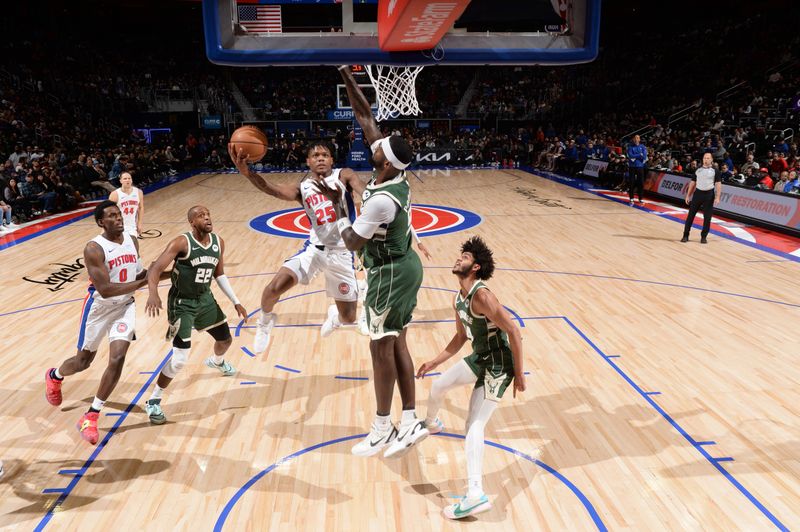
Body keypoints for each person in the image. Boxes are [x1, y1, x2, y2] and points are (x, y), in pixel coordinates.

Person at [315, 65, 428, 459]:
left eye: (379, 145)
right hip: (403, 266)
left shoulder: (380, 199)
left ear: (384, 160)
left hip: (390, 273)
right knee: (397, 342)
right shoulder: (392, 174)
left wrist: (339, 201)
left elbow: (350, 241)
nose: (373, 141)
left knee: (380, 348)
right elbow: (366, 116)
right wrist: (347, 75)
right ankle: (410, 418)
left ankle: (382, 426)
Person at [416, 236, 526, 519]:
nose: (458, 258)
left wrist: (519, 373)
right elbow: (460, 338)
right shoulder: (458, 298)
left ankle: (475, 494)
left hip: (499, 364)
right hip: (480, 358)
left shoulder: (483, 296)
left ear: (475, 267)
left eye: (464, 256)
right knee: (439, 385)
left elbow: (513, 331)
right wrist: (434, 361)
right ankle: (431, 424)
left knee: (474, 423)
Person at [230, 141, 364, 348]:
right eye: (315, 155)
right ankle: (265, 322)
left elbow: (361, 187)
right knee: (273, 289)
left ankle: (335, 317)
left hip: (342, 254)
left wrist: (368, 195)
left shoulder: (343, 175)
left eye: (325, 154)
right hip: (315, 251)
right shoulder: (302, 189)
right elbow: (271, 189)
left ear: (331, 160)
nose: (320, 158)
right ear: (308, 162)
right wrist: (249, 173)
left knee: (349, 318)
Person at [44, 201, 151, 444]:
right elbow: (105, 289)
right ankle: (55, 375)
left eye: (119, 214)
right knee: (83, 362)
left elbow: (140, 274)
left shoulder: (132, 241)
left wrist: (164, 270)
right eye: (112, 216)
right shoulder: (94, 248)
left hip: (125, 306)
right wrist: (145, 283)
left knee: (118, 357)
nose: (119, 218)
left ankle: (91, 415)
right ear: (101, 222)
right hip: (99, 308)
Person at [143, 205, 247, 424]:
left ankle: (217, 361)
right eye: (201, 216)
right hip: (182, 304)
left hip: (205, 299)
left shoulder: (219, 242)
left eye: (208, 214)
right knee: (180, 360)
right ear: (192, 222)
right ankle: (153, 401)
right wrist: (153, 293)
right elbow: (155, 269)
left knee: (226, 340)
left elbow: (219, 275)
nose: (207, 217)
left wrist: (236, 302)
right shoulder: (181, 242)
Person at [681, 153, 722, 244]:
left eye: (708, 158)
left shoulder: (715, 171)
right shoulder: (698, 169)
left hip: (709, 195)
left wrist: (717, 197)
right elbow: (692, 183)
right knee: (690, 216)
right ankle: (685, 235)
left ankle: (704, 237)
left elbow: (718, 184)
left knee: (707, 218)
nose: (706, 160)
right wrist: (688, 195)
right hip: (698, 194)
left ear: (711, 160)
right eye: (704, 158)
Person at [109, 172, 143, 238]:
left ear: (132, 180)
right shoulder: (115, 194)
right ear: (120, 181)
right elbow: (108, 213)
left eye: (129, 178)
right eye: (125, 179)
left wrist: (139, 223)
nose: (127, 180)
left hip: (132, 226)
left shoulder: (138, 192)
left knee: (132, 246)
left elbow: (141, 208)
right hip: (118, 226)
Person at [626, 135, 647, 205]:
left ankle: (640, 198)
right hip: (632, 167)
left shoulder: (643, 147)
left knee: (640, 183)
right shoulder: (630, 147)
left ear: (639, 139)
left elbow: (644, 156)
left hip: (640, 167)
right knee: (631, 182)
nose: (636, 139)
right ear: (633, 139)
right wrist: (639, 155)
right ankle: (631, 198)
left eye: (637, 138)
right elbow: (630, 155)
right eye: (635, 138)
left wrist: (636, 156)